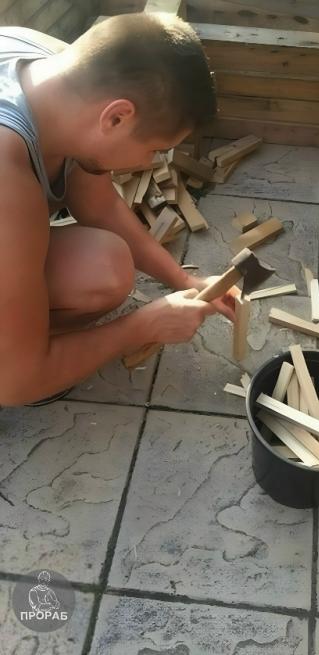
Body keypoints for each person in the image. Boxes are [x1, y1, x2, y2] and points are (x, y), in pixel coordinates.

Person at [0, 13, 236, 407]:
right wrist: (141, 327)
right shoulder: (7, 174)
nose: (149, 163)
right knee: (19, 373)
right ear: (117, 117)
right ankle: (22, 351)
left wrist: (183, 280)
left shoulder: (64, 74)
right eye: (155, 150)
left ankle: (25, 342)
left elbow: (99, 204)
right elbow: (13, 387)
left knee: (103, 266)